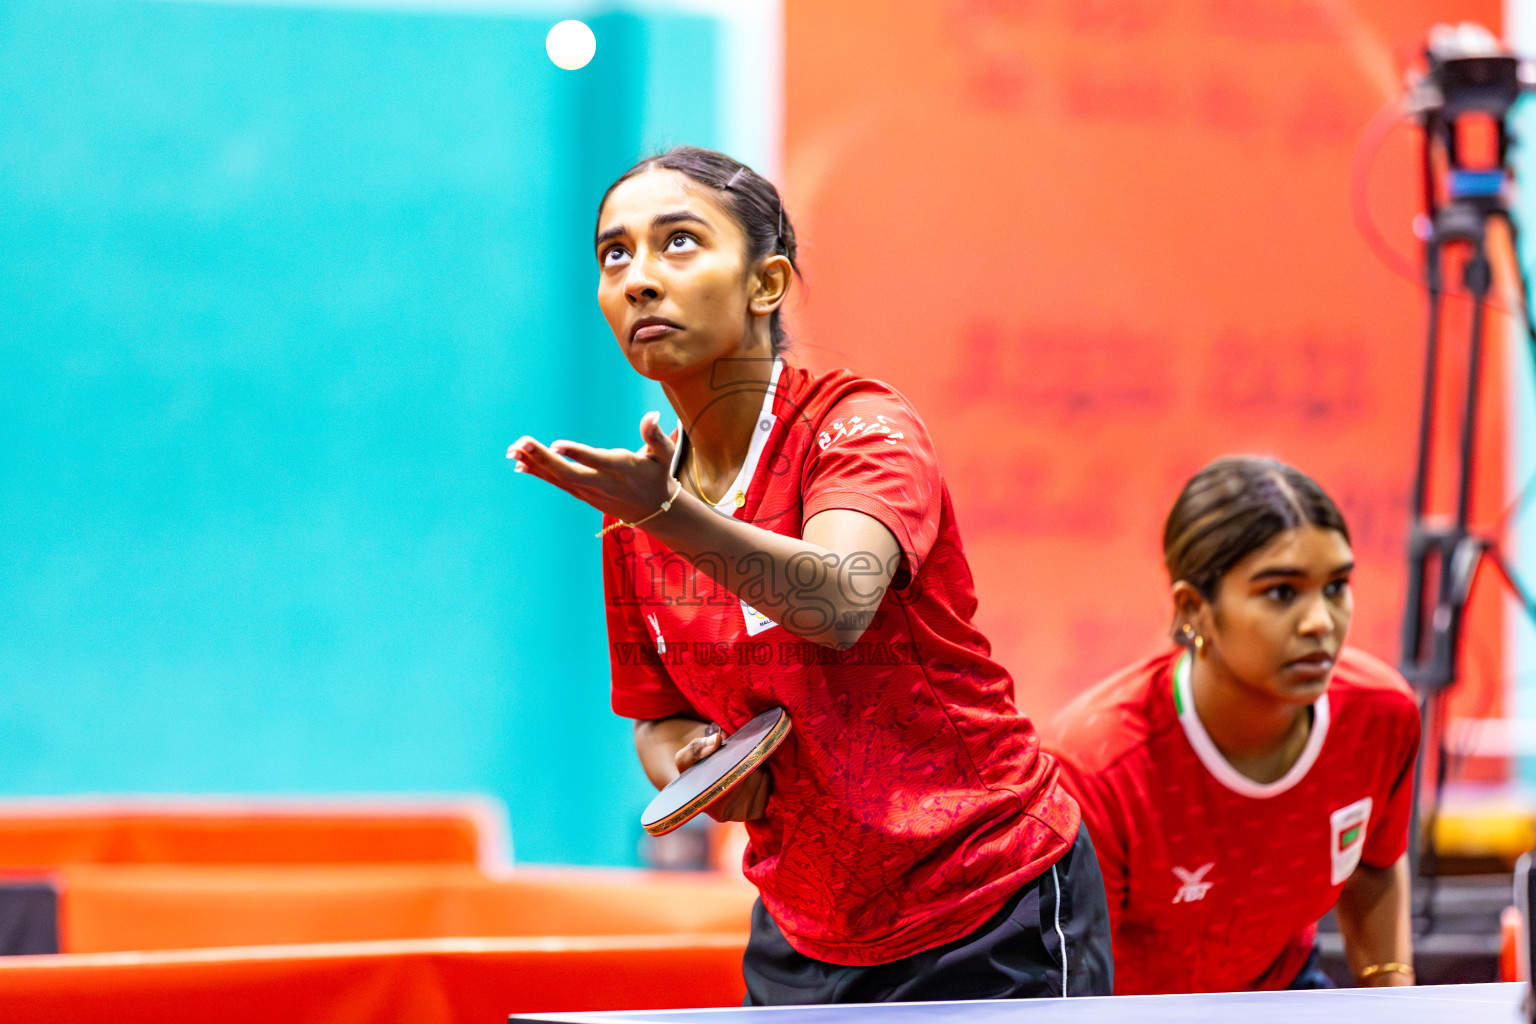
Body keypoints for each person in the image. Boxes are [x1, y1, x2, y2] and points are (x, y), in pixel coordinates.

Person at [507, 146, 1111, 1003]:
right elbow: (657, 717)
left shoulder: (859, 427)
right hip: (804, 925)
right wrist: (695, 768)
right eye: (615, 254)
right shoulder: (634, 511)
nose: (639, 279)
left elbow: (838, 599)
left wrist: (667, 514)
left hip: (985, 902)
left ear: (766, 282)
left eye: (678, 241)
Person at [1044, 456, 1419, 994]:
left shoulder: (1381, 716)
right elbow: (1079, 983)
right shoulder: (1097, 766)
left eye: (1336, 586)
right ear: (1194, 608)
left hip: (1286, 990)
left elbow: (1375, 865)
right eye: (1281, 592)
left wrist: (1393, 998)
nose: (1321, 622)